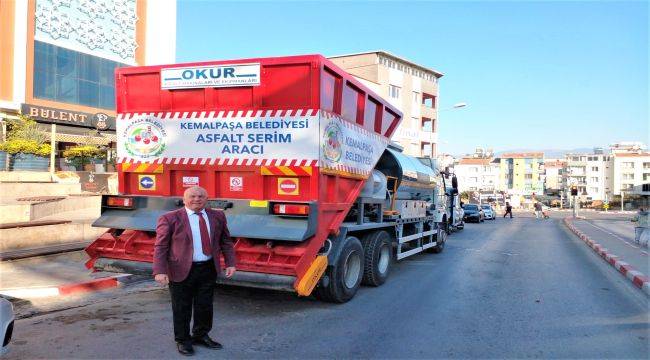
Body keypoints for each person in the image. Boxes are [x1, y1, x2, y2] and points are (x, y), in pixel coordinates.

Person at [153, 186, 236, 356]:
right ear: (184, 200)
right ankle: (183, 340)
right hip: (181, 270)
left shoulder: (218, 216)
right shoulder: (170, 218)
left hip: (208, 268)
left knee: (204, 305)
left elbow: (226, 241)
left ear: (207, 199)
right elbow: (161, 246)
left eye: (201, 196)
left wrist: (230, 263)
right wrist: (159, 270)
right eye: (192, 196)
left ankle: (200, 335)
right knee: (181, 307)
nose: (197, 199)